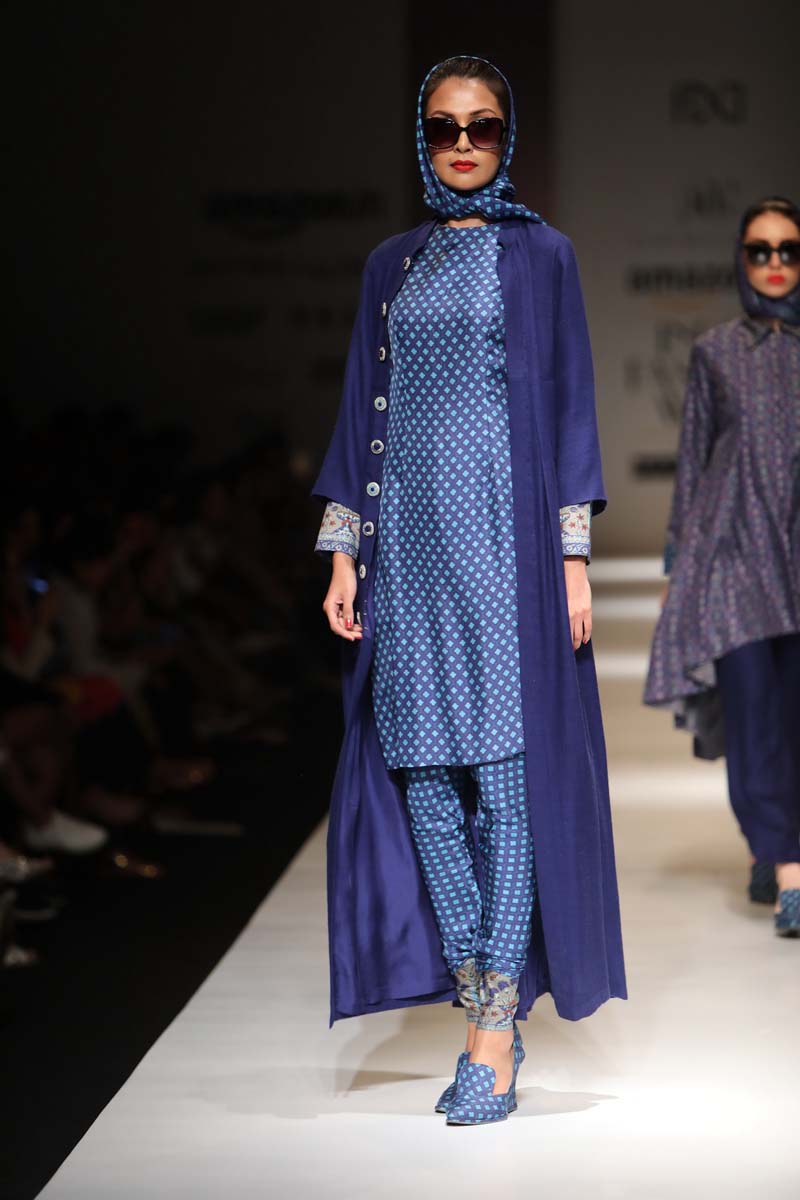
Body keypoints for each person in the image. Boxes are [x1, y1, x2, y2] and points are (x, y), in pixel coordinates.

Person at [312, 55, 626, 1126]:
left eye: (481, 127)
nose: (461, 144)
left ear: (506, 136)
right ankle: (481, 989)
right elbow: (360, 404)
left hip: (505, 549)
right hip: (406, 549)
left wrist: (573, 556)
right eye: (445, 126)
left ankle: (490, 1032)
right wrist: (344, 550)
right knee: (424, 781)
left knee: (505, 780)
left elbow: (571, 403)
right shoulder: (387, 264)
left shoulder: (541, 255)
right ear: (421, 135)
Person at [644, 196, 800, 938]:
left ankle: (775, 846)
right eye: (760, 250)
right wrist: (680, 565)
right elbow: (693, 461)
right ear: (741, 259)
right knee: (753, 714)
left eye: (788, 249)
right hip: (734, 557)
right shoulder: (715, 351)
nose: (774, 263)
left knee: (793, 720)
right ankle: (788, 865)